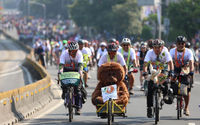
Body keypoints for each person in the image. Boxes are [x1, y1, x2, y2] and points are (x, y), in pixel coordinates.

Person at [143, 39, 174, 118]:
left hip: (163, 69)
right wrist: (145, 72)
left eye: (159, 47)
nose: (157, 49)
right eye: (155, 47)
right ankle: (149, 108)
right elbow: (145, 64)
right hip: (153, 70)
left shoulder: (165, 52)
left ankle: (165, 95)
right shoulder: (149, 53)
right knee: (150, 88)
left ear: (162, 47)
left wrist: (171, 71)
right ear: (153, 47)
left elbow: (170, 63)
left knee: (166, 82)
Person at [170, 36, 194, 116]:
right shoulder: (172, 51)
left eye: (182, 43)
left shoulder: (188, 51)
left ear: (185, 44)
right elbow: (169, 61)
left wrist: (191, 71)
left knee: (186, 90)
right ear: (176, 44)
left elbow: (191, 62)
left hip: (185, 70)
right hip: (175, 69)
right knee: (171, 83)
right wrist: (170, 72)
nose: (181, 45)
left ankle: (186, 107)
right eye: (179, 43)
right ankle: (171, 97)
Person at [59, 41, 85, 115]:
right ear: (69, 51)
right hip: (67, 70)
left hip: (76, 70)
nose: (73, 53)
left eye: (75, 51)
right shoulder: (64, 53)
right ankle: (65, 94)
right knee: (64, 86)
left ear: (77, 50)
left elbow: (80, 66)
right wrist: (60, 71)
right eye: (72, 51)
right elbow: (61, 65)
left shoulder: (79, 54)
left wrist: (80, 73)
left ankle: (78, 107)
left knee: (78, 90)